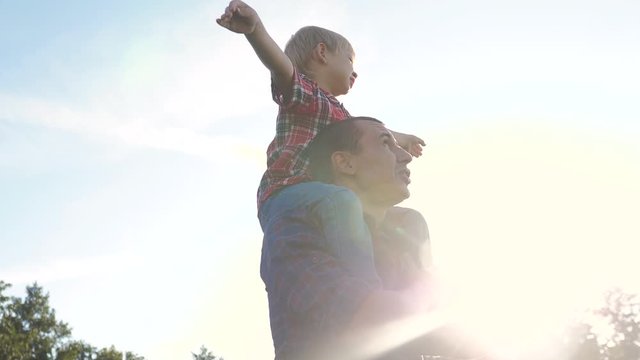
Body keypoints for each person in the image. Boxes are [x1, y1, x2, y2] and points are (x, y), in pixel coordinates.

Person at [216, 1, 426, 281]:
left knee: (407, 220)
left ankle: (422, 284)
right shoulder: (303, 94)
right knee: (344, 200)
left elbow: (374, 132)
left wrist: (403, 139)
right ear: (322, 53)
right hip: (287, 193)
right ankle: (366, 287)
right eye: (350, 60)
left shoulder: (341, 115)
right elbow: (280, 66)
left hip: (324, 197)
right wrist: (255, 31)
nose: (355, 71)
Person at [260, 117, 438, 359]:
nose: (405, 157)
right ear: (345, 163)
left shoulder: (400, 238)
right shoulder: (293, 229)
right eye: (386, 143)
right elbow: (374, 321)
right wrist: (431, 294)